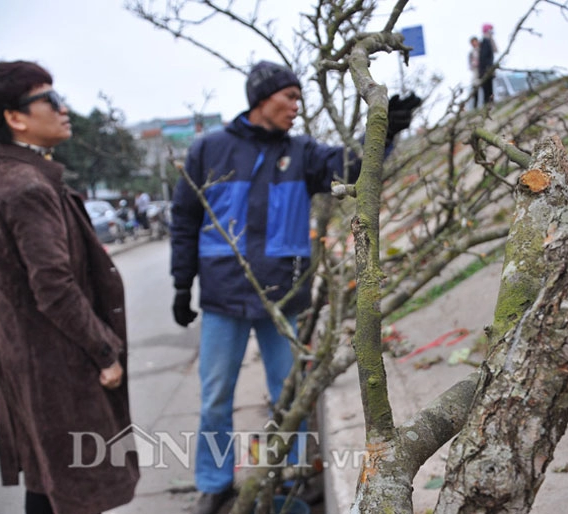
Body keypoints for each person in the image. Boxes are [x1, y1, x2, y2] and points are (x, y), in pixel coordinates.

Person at [169, 60, 420, 514]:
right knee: (215, 396)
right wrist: (180, 283)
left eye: (300, 97)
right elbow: (185, 219)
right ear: (262, 99)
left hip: (284, 295)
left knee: (292, 393)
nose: (297, 107)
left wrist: (386, 130)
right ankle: (214, 483)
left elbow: (353, 166)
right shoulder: (209, 150)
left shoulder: (302, 152)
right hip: (224, 296)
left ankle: (296, 474)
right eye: (290, 97)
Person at [0, 61, 139, 514]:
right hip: (60, 364)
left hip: (37, 361)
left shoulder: (16, 180)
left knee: (50, 484)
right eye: (50, 100)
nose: (64, 108)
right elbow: (53, 286)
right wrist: (104, 351)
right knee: (74, 488)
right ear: (15, 118)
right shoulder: (27, 187)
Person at [478, 23, 498, 105]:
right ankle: (488, 103)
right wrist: (488, 67)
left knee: (489, 86)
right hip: (486, 69)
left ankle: (489, 102)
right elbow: (484, 57)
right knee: (487, 87)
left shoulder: (487, 41)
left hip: (486, 69)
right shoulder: (486, 41)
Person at [468, 36, 481, 108]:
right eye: (472, 42)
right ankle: (475, 105)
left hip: (482, 70)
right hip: (475, 71)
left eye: (475, 41)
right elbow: (469, 64)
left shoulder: (481, 50)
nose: (474, 43)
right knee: (475, 87)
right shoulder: (471, 53)